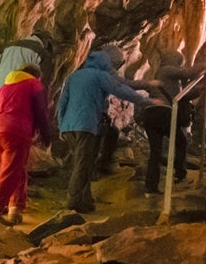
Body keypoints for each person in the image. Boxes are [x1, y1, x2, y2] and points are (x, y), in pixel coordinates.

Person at [55, 43, 149, 213]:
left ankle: (85, 201)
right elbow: (121, 90)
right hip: (86, 124)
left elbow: (62, 103)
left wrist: (62, 126)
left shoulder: (74, 75)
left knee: (82, 163)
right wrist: (146, 100)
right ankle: (72, 201)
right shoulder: (100, 76)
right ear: (105, 63)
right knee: (83, 164)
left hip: (69, 126)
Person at [0, 33, 45, 196]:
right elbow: (39, 80)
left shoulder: (9, 48)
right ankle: (11, 189)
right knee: (16, 143)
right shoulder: (39, 52)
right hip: (18, 99)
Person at [0, 63, 54, 225]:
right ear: (36, 75)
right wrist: (46, 135)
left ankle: (15, 209)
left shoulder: (4, 87)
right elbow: (40, 111)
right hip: (16, 131)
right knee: (9, 172)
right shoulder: (34, 84)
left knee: (17, 169)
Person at [138, 50, 203, 195]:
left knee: (155, 151)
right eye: (179, 62)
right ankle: (180, 173)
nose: (179, 65)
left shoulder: (163, 77)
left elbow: (180, 96)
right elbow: (186, 73)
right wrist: (204, 65)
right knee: (181, 142)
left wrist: (198, 91)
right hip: (163, 113)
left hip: (150, 114)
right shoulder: (166, 70)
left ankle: (151, 185)